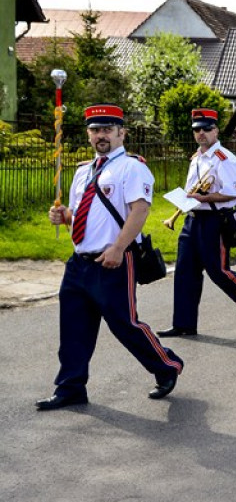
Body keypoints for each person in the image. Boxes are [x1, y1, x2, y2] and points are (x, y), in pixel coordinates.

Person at [37, 104, 184, 410]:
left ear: (121, 133)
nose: (100, 135)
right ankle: (70, 387)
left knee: (124, 324)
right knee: (74, 328)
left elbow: (140, 210)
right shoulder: (82, 171)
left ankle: (166, 365)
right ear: (88, 134)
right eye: (95, 130)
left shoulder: (132, 168)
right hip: (79, 262)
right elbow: (79, 215)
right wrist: (62, 216)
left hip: (114, 260)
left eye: (107, 129)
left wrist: (118, 247)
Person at [158, 109, 236, 338]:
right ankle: (184, 324)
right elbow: (192, 190)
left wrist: (203, 198)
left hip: (214, 221)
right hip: (192, 219)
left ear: (216, 130)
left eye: (206, 129)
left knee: (218, 271)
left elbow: (233, 193)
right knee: (185, 272)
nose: (201, 133)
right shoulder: (196, 158)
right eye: (197, 130)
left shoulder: (225, 159)